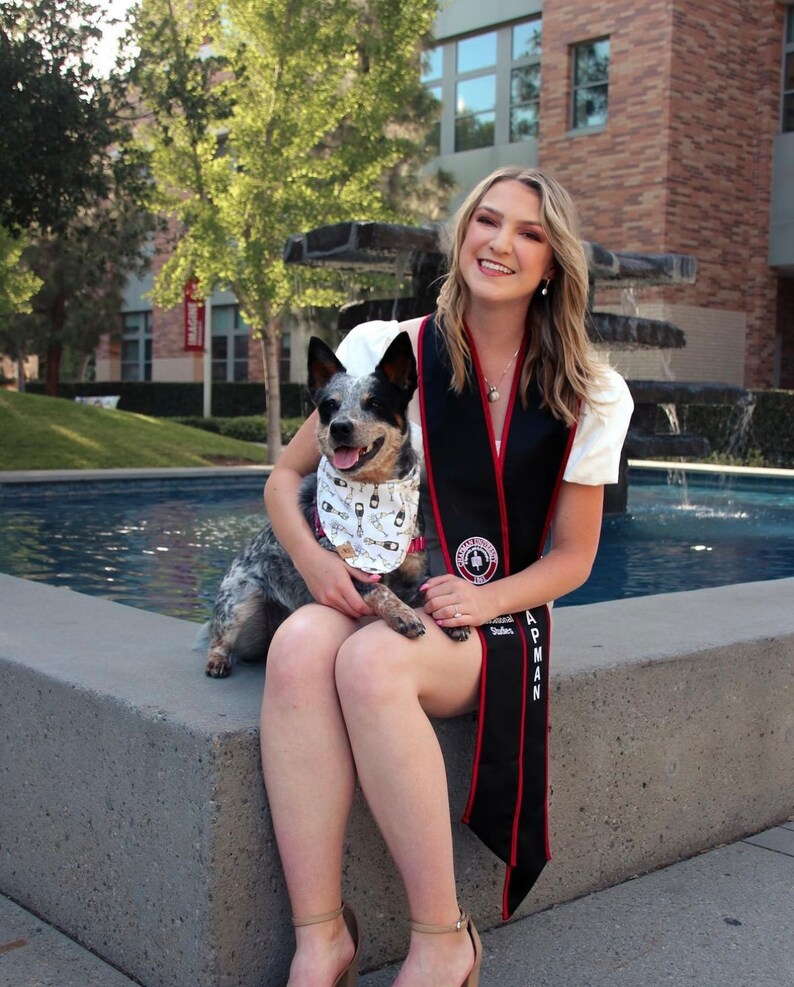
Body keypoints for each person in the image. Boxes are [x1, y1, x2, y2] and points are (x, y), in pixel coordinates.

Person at [260, 166, 634, 987]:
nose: (501, 243)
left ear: (553, 265)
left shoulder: (589, 391)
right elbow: (282, 481)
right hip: (380, 588)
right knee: (294, 649)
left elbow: (572, 558)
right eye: (487, 221)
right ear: (462, 232)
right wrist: (315, 560)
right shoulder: (381, 352)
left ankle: (442, 938)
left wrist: (485, 595)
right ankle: (322, 937)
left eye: (530, 233)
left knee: (367, 661)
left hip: (493, 615)